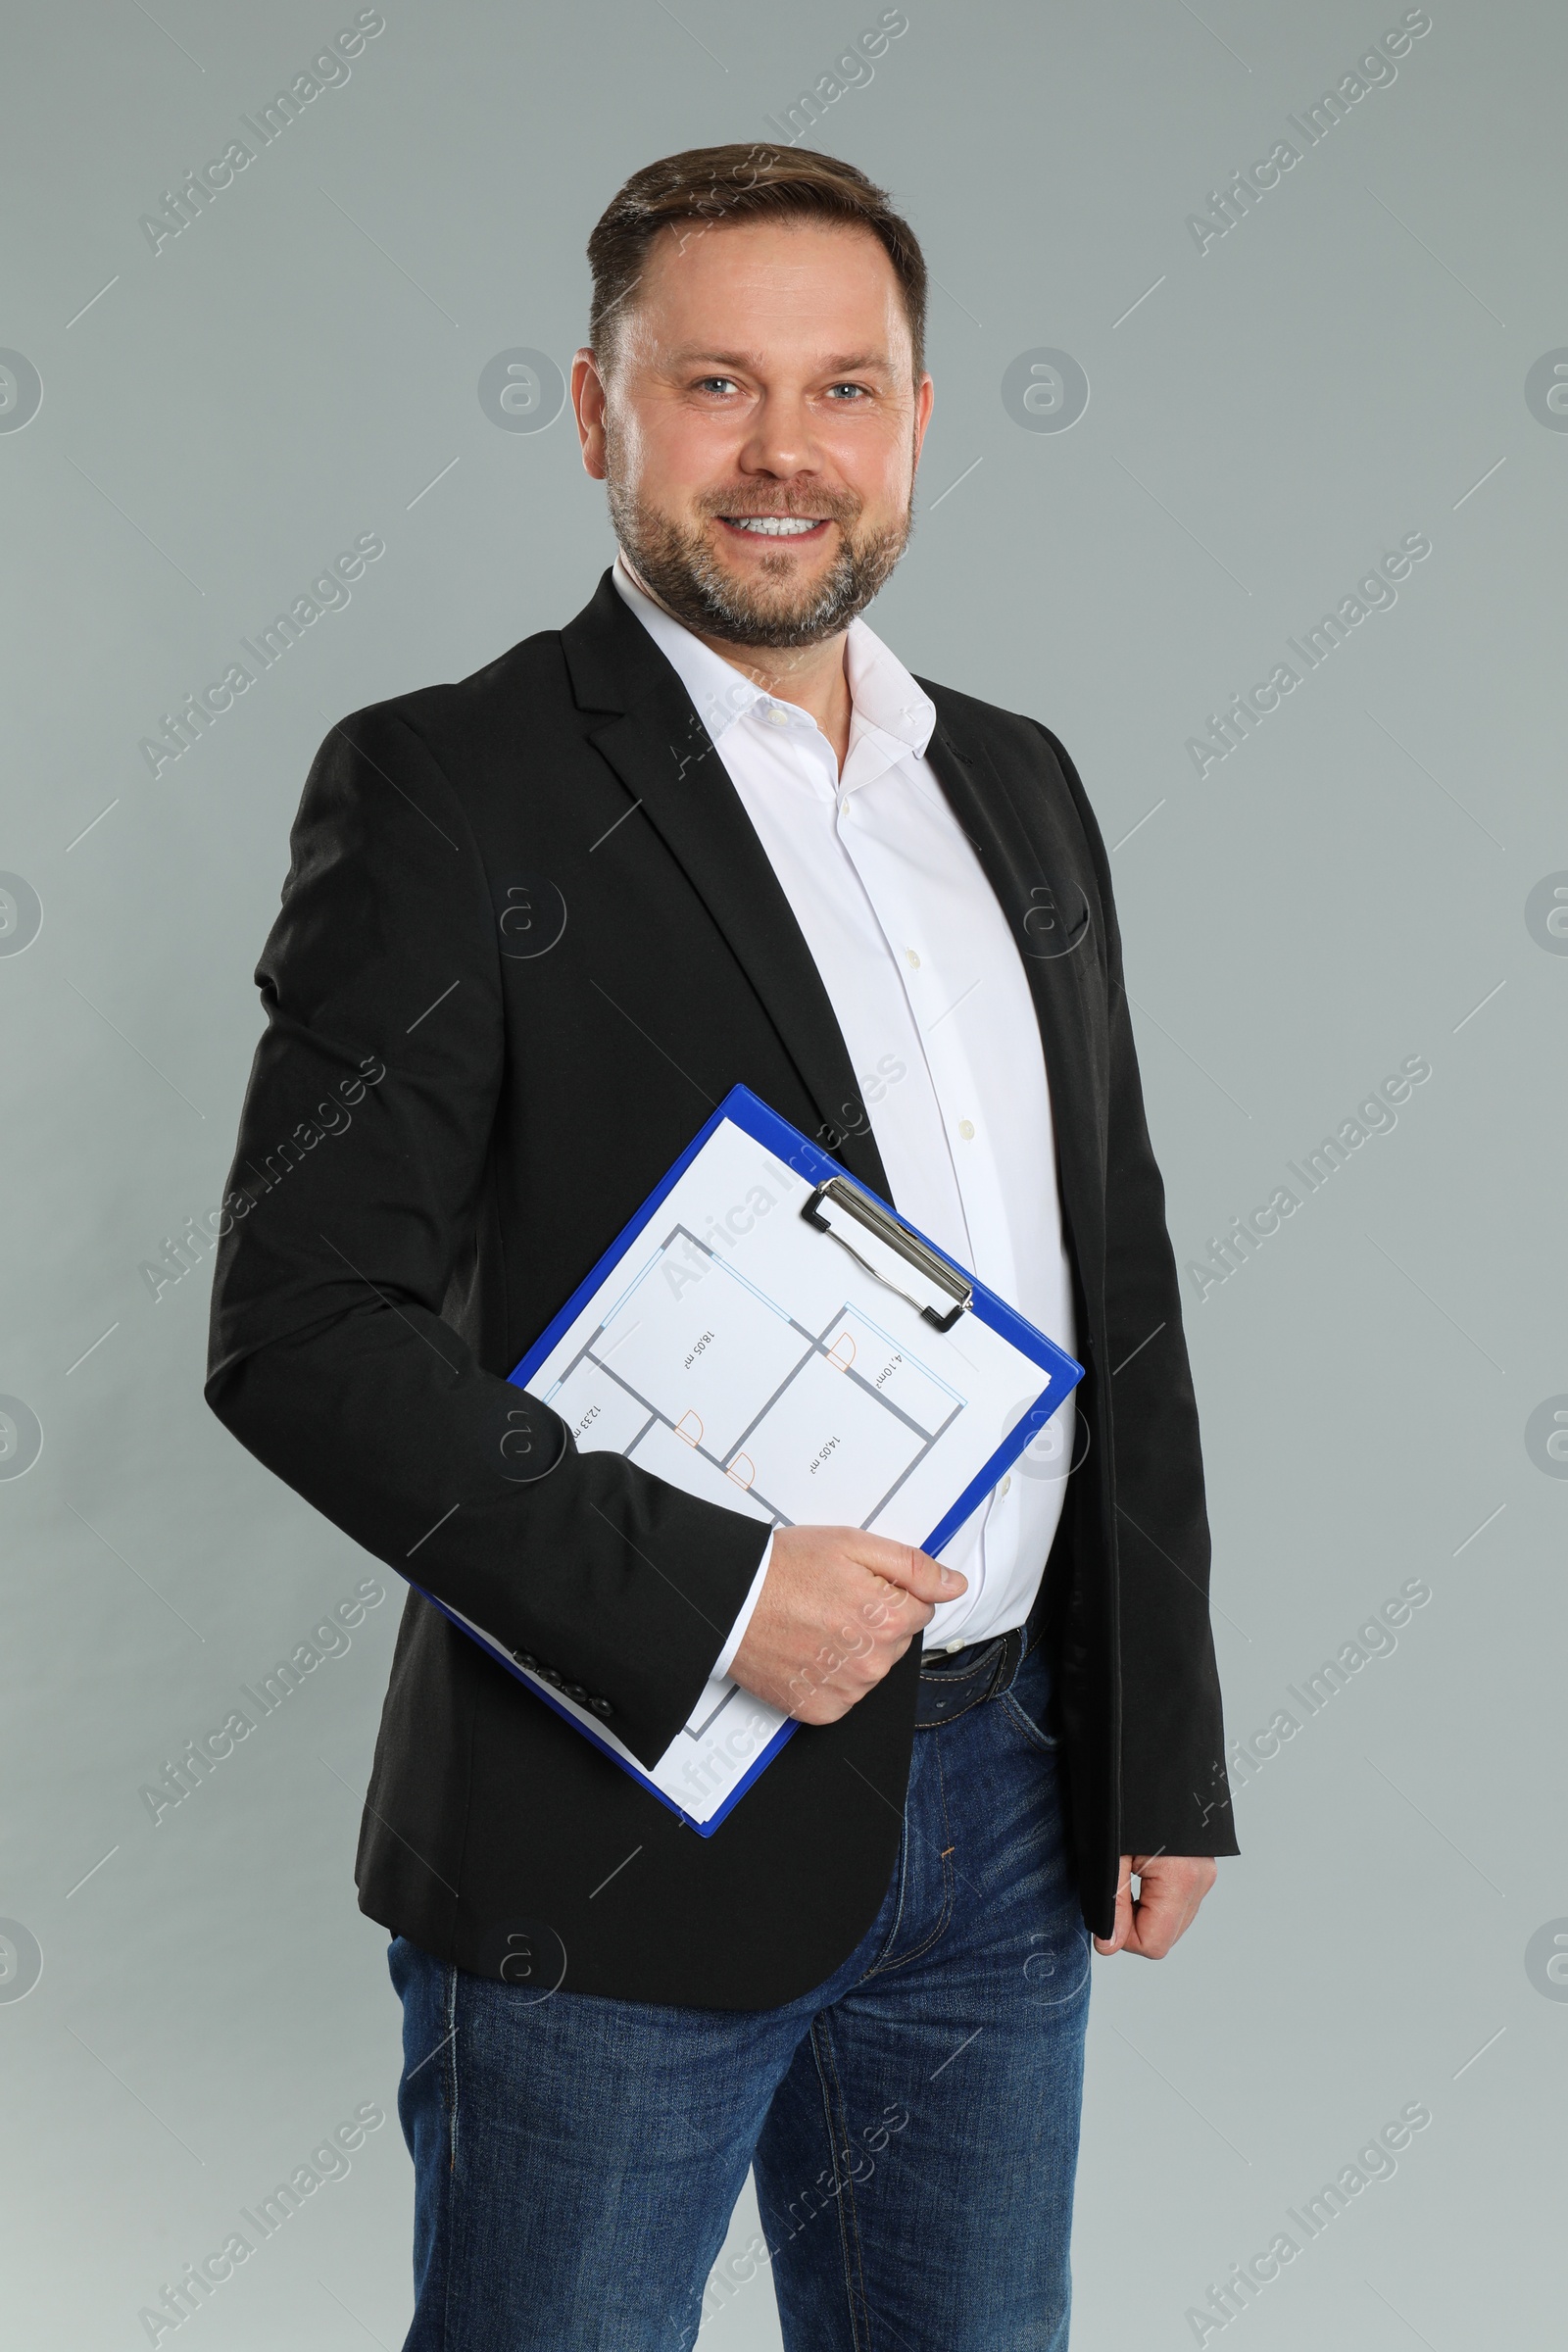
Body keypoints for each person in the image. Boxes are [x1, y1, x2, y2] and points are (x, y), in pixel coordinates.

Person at [205, 141, 1238, 2352]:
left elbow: (1108, 1273)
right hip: (608, 1818)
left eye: (844, 390)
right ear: (595, 415)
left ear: (918, 423)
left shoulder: (1019, 786)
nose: (785, 454)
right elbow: (301, 1328)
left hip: (1002, 1805)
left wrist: (1154, 1743)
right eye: (713, 388)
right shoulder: (446, 788)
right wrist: (724, 1601)